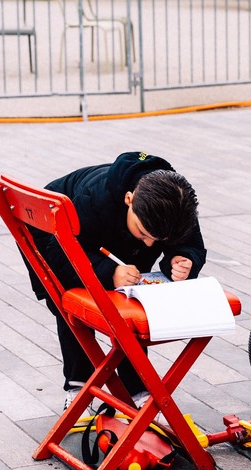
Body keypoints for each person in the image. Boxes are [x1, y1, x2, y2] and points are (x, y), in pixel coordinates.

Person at [25, 152, 207, 410]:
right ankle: (79, 387)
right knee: (72, 303)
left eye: (159, 240)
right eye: (143, 233)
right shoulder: (94, 198)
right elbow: (61, 254)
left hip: (110, 240)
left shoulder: (176, 203)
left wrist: (183, 259)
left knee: (126, 303)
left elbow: (191, 245)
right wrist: (109, 272)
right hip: (51, 230)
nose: (148, 244)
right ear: (129, 199)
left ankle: (135, 390)